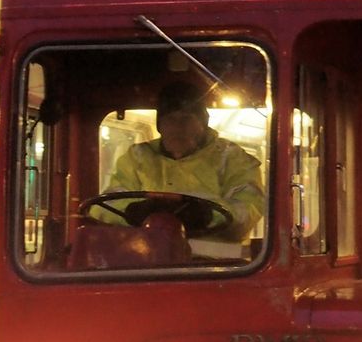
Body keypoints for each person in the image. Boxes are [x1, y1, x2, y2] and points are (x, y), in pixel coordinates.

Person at [104, 80, 264, 242]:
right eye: (170, 119)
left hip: (216, 262)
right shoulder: (137, 157)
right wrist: (134, 211)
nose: (178, 127)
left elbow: (249, 207)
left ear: (203, 124)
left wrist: (207, 215)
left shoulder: (232, 158)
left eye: (187, 119)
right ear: (160, 125)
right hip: (147, 258)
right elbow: (105, 206)